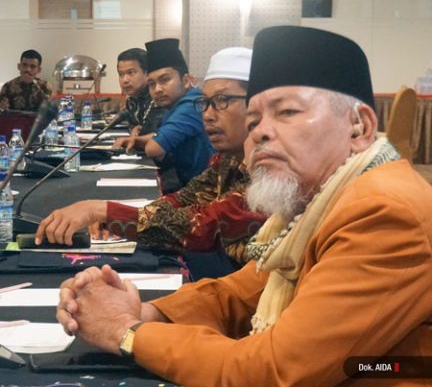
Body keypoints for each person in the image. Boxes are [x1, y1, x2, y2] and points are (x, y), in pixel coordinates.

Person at [56, 26, 432, 386]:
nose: (261, 132)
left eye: (287, 112)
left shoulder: (384, 214)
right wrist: (144, 312)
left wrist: (128, 333)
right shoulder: (318, 199)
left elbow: (271, 371)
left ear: (359, 127)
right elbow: (239, 294)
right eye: (253, 121)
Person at [36, 48, 266, 279]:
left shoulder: (270, 170)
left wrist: (102, 211)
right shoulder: (229, 158)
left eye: (221, 100)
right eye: (205, 103)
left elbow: (202, 227)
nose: (207, 115)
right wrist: (112, 218)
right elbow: (184, 199)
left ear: (257, 108)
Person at [141, 38, 213, 193]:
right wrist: (137, 140)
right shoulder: (179, 103)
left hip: (204, 192)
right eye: (151, 84)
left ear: (186, 80)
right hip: (192, 186)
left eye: (165, 80)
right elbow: (164, 136)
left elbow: (153, 149)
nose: (157, 89)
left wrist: (150, 143)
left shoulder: (192, 105)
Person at [112, 48, 165, 152]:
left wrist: (138, 133)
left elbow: (150, 133)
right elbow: (134, 129)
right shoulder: (132, 99)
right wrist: (135, 129)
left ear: (147, 73)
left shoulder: (157, 97)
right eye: (121, 74)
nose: (125, 80)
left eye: (131, 73)